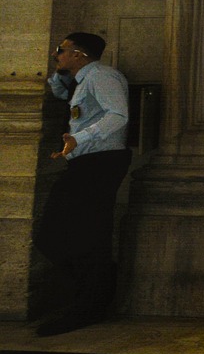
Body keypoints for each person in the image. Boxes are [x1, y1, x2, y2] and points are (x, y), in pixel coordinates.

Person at [35, 32, 132, 336]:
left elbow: (119, 114)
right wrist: (60, 73)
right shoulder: (82, 79)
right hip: (87, 163)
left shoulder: (102, 76)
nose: (56, 55)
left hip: (100, 163)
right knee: (66, 234)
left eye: (60, 50)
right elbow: (62, 95)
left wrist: (80, 138)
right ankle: (93, 294)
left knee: (69, 234)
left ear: (79, 54)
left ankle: (91, 302)